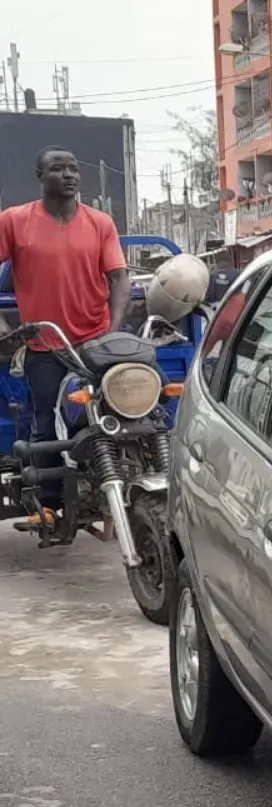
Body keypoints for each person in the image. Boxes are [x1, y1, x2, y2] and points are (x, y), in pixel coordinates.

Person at [0, 146, 130, 524]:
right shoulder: (14, 221)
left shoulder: (100, 223)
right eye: (58, 169)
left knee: (111, 416)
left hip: (94, 342)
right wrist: (4, 326)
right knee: (47, 422)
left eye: (74, 168)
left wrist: (114, 331)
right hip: (45, 343)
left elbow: (118, 277)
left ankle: (113, 488)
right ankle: (50, 505)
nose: (69, 175)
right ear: (41, 177)